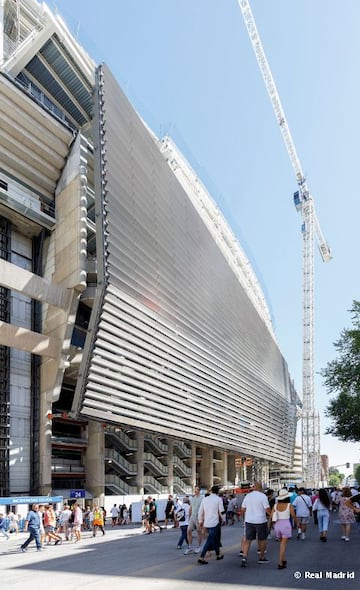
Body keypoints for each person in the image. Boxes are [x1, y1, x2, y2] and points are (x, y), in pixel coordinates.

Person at [240, 481, 270, 567]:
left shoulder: (248, 496)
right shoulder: (263, 496)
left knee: (248, 540)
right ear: (260, 487)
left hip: (249, 521)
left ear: (254, 487)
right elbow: (267, 509)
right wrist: (272, 517)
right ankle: (261, 557)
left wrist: (244, 519)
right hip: (261, 521)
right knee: (262, 539)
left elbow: (242, 509)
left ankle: (244, 557)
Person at [270, 488, 299, 569]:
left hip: (277, 526)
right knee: (283, 545)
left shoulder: (275, 506)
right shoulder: (289, 505)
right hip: (286, 525)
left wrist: (269, 526)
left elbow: (271, 516)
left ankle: (283, 559)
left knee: (281, 544)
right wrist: (297, 523)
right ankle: (280, 562)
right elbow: (293, 516)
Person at [197, 485, 226, 565]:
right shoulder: (218, 499)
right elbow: (221, 511)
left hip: (207, 522)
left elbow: (200, 511)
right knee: (210, 540)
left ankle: (218, 554)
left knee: (215, 539)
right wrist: (224, 519)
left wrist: (200, 521)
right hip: (215, 522)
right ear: (217, 492)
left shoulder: (205, 499)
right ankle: (201, 557)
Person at [185, 486, 204, 554]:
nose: (195, 491)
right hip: (192, 517)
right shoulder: (192, 498)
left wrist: (202, 519)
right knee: (189, 531)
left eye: (197, 490)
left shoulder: (202, 498)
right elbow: (191, 508)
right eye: (195, 490)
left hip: (198, 517)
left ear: (199, 490)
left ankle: (199, 547)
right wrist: (189, 517)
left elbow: (203, 509)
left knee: (199, 532)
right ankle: (190, 547)